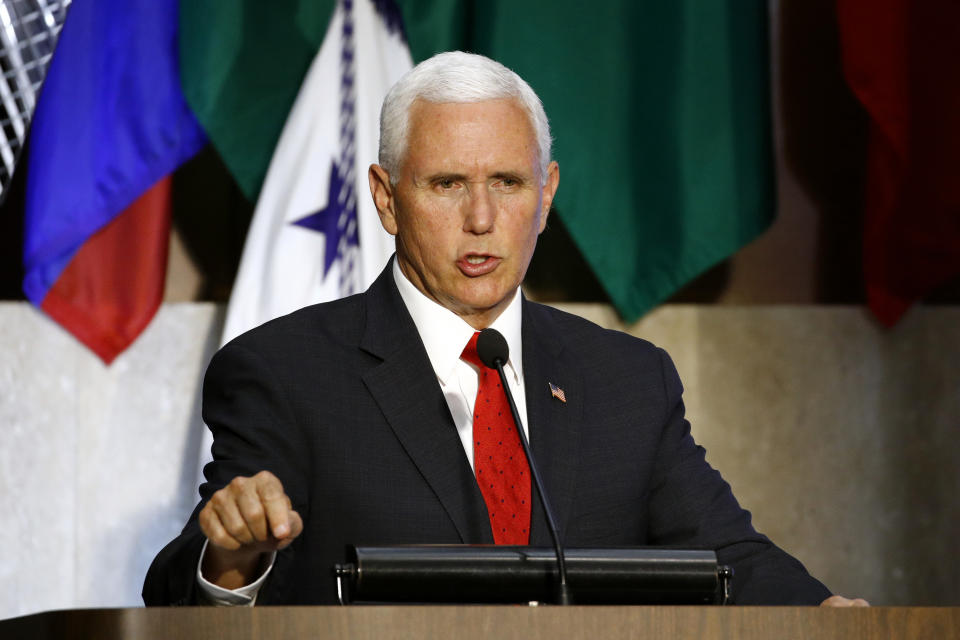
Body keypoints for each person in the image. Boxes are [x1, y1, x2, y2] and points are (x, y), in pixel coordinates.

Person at [143, 51, 866, 607]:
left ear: (546, 195)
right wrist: (232, 558)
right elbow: (175, 586)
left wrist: (828, 613)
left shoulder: (626, 380)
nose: (482, 219)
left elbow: (728, 554)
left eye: (509, 184)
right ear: (387, 199)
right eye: (448, 184)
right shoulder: (285, 370)